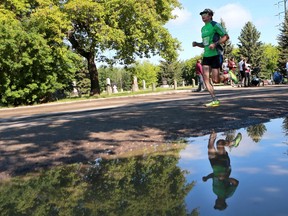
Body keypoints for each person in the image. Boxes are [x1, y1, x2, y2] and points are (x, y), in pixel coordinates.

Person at [192, 8, 236, 107]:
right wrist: (197, 44)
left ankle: (228, 75)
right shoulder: (203, 29)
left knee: (216, 80)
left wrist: (215, 44)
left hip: (216, 54)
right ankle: (214, 100)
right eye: (202, 15)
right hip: (206, 55)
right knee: (206, 78)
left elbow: (226, 36)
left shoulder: (215, 25)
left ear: (210, 15)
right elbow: (205, 44)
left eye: (205, 14)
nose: (203, 16)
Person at [203, 130, 242, 210]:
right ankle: (234, 143)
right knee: (220, 143)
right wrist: (225, 178)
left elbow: (214, 176)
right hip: (224, 167)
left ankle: (213, 129)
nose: (216, 203)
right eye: (218, 205)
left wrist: (207, 177)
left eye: (216, 205)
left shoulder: (215, 191)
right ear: (223, 203)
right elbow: (236, 183)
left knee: (210, 146)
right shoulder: (227, 194)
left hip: (214, 166)